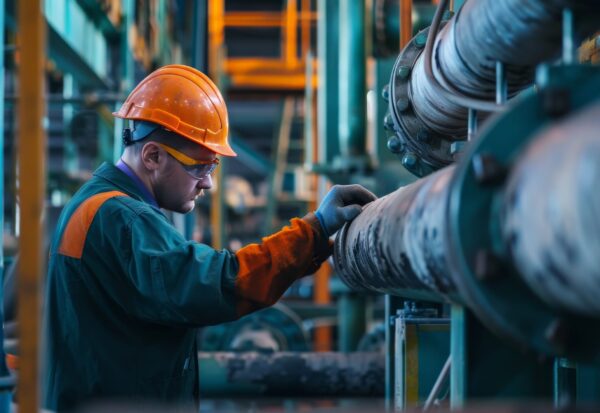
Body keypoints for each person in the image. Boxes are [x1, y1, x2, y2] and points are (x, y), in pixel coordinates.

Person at [43, 65, 376, 410]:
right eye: (199, 167)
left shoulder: (93, 202)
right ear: (153, 156)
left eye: (213, 168)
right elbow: (217, 284)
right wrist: (314, 229)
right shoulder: (124, 218)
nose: (208, 184)